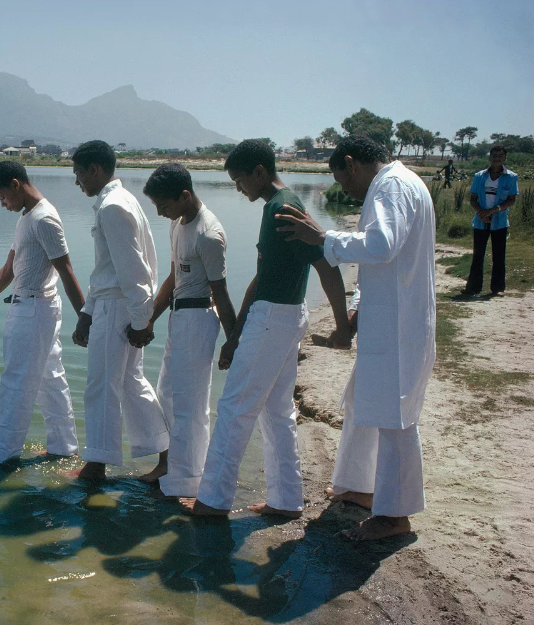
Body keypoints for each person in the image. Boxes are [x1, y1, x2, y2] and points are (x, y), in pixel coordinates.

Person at [275, 134, 436, 541]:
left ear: (352, 163)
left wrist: (323, 238)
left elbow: (381, 245)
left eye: (342, 179)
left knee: (395, 418)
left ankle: (395, 517)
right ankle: (359, 486)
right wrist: (356, 308)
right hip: (390, 318)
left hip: (400, 326)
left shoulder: (391, 186)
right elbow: (384, 263)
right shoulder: (398, 183)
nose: (343, 188)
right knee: (362, 402)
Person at [180, 139, 351, 519]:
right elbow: (261, 276)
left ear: (260, 172)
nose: (239, 190)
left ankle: (212, 500)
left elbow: (326, 263)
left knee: (234, 408)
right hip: (282, 315)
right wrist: (236, 335)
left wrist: (343, 327)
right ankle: (286, 500)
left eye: (240, 181)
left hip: (275, 318)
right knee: (275, 410)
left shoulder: (283, 207)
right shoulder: (276, 205)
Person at [0, 162, 85, 463]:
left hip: (33, 309)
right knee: (50, 379)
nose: (4, 205)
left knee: (16, 382)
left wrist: (85, 317)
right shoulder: (27, 218)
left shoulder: (44, 219)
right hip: (34, 307)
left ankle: (0, 455)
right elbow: (8, 272)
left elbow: (66, 270)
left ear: (16, 185)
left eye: (3, 197)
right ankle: (63, 447)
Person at [70, 140, 169, 482]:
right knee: (129, 383)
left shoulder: (112, 206)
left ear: (94, 170)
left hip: (119, 307)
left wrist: (143, 320)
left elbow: (133, 271)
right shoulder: (123, 202)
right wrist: (87, 311)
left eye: (79, 173)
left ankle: (96, 465)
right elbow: (110, 267)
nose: (77, 181)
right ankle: (167, 452)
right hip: (116, 305)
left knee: (102, 385)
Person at [140, 163, 238, 498]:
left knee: (190, 404)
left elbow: (221, 292)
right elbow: (173, 278)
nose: (160, 213)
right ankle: (170, 466)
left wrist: (233, 340)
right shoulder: (178, 225)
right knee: (167, 394)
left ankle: (190, 480)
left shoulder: (208, 234)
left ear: (184, 195)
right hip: (179, 319)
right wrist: (150, 317)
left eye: (163, 206)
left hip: (198, 321)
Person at [462, 145, 519, 296]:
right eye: (494, 155)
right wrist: (481, 213)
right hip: (481, 221)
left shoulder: (511, 177)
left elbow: (511, 200)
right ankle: (473, 287)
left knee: (499, 255)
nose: (497, 158)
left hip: (499, 222)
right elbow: (473, 199)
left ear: (505, 158)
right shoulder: (480, 176)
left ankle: (498, 288)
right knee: (478, 255)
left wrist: (493, 210)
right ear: (490, 157)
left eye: (500, 156)